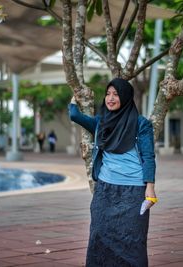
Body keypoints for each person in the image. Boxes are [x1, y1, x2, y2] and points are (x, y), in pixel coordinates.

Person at [69, 78, 157, 267]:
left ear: (125, 97)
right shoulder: (102, 122)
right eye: (108, 94)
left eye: (116, 94)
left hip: (133, 192)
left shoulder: (141, 124)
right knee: (99, 236)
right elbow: (75, 116)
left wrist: (150, 187)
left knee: (132, 240)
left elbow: (149, 156)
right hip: (105, 190)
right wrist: (75, 96)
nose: (110, 98)